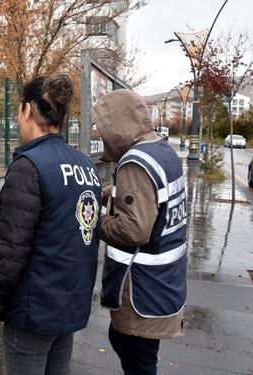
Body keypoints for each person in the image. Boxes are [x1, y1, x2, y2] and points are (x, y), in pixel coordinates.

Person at [0, 74, 102, 375]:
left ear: (28, 110)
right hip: (67, 307)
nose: (18, 120)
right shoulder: (86, 166)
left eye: (19, 111)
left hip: (34, 311)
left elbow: (11, 251)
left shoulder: (29, 166)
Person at [91, 89, 187, 375]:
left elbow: (133, 230)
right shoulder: (161, 151)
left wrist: (92, 221)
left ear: (118, 125)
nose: (99, 133)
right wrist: (110, 193)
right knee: (125, 344)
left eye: (102, 125)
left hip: (141, 291)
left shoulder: (134, 163)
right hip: (164, 285)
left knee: (139, 362)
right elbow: (153, 198)